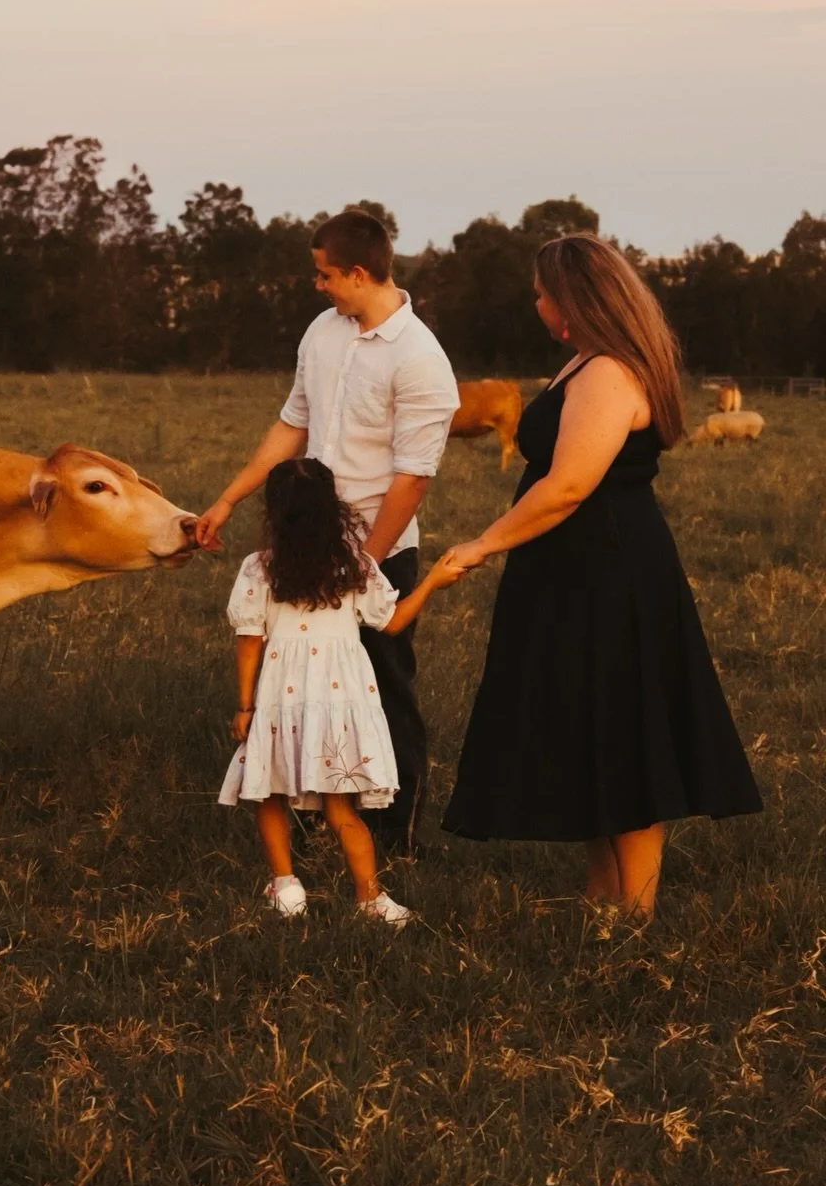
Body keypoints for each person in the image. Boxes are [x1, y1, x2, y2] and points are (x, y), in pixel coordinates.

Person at [439, 233, 762, 921]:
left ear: (572, 298)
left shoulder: (611, 372)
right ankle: (601, 893)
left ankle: (636, 913)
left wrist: (482, 544)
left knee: (623, 727)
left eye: (540, 292)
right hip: (569, 569)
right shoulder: (584, 362)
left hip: (610, 573)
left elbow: (568, 486)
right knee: (581, 721)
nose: (534, 303)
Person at [196, 208, 459, 854]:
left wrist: (362, 565)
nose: (317, 285)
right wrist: (228, 500)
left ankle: (393, 837)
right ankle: (320, 816)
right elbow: (293, 424)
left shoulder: (420, 358)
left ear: (360, 273)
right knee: (305, 690)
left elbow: (412, 478)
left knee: (382, 689)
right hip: (304, 548)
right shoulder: (321, 331)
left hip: (376, 554)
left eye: (324, 274)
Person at [219, 458, 466, 920]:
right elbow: (392, 622)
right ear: (333, 508)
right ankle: (370, 898)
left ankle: (286, 888)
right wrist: (432, 581)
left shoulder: (259, 569)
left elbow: (249, 641)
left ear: (273, 511)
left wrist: (245, 707)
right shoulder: (356, 566)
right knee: (341, 809)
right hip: (340, 703)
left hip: (281, 700)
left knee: (269, 794)